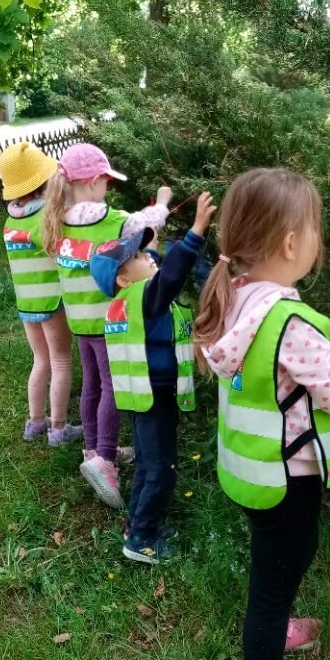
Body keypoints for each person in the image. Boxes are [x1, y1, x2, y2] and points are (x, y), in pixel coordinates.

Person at [194, 168, 330, 660]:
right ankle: (272, 634)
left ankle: (277, 621)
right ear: (291, 242)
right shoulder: (292, 324)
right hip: (287, 481)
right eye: (315, 227)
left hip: (250, 470)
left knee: (279, 563)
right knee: (270, 596)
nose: (319, 238)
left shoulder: (234, 298)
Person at [42, 143, 172, 507]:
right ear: (93, 181)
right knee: (112, 387)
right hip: (107, 321)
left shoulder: (58, 218)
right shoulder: (113, 221)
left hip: (79, 321)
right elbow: (148, 223)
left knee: (92, 384)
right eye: (106, 182)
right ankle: (106, 460)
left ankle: (93, 450)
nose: (107, 188)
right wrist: (163, 202)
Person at [90, 192, 217, 564]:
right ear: (123, 278)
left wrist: (151, 242)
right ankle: (141, 539)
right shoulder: (145, 296)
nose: (149, 257)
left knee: (149, 464)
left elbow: (157, 263)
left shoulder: (129, 298)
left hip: (143, 395)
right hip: (154, 395)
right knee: (161, 469)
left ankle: (136, 524)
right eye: (138, 257)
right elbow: (171, 275)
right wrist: (196, 231)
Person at [0, 142, 83, 446]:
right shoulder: (44, 219)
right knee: (60, 361)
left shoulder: (10, 223)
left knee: (40, 360)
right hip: (52, 303)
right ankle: (58, 428)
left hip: (27, 304)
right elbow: (62, 251)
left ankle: (35, 422)